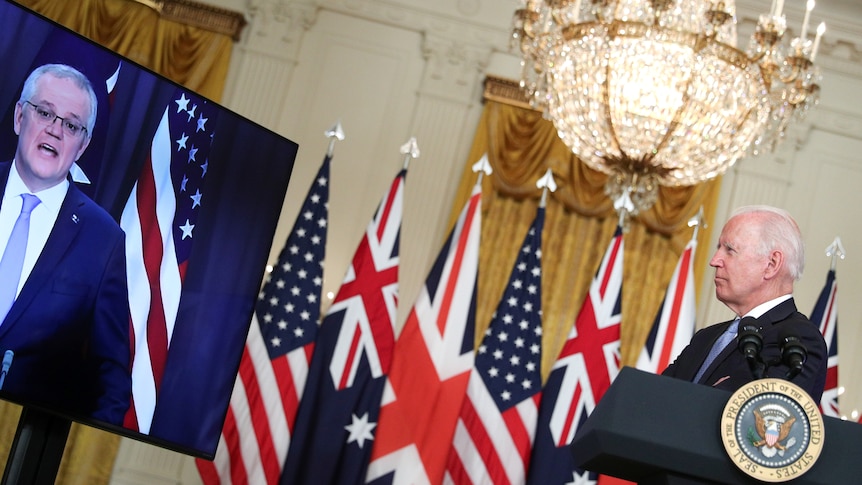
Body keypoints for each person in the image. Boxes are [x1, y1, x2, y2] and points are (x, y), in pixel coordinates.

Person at [0, 64, 130, 425]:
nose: (55, 130)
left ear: (83, 144)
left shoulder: (103, 241)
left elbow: (112, 378)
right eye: (44, 112)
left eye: (71, 125)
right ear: (19, 116)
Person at [662, 205, 827, 401]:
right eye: (718, 248)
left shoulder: (798, 340)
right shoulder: (706, 338)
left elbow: (758, 420)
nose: (714, 261)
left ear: (771, 264)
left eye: (730, 250)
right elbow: (657, 396)